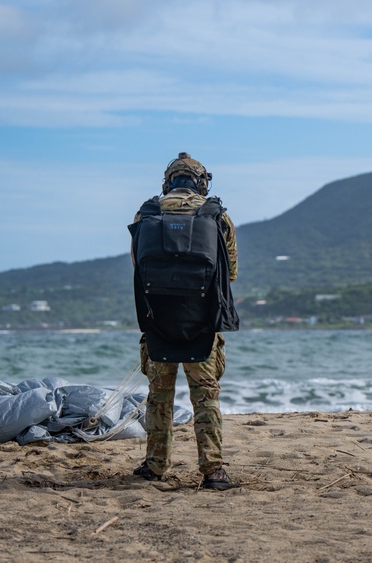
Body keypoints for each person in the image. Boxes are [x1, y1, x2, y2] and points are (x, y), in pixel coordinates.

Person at [129, 152, 240, 490]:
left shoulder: (147, 213)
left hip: (158, 321)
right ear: (200, 182)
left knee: (159, 395)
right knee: (205, 396)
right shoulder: (216, 215)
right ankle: (213, 471)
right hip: (202, 324)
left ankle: (155, 466)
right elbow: (230, 273)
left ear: (168, 181)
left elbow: (138, 267)